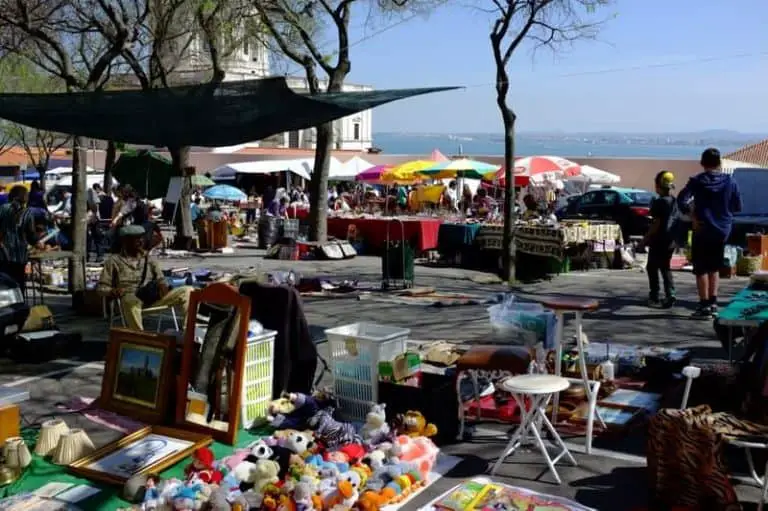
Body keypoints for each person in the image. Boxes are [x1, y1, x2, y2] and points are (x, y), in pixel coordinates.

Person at [678, 147, 742, 318]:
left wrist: (692, 216)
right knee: (714, 267)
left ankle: (704, 304)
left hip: (702, 227)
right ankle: (713, 302)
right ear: (719, 163)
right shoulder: (730, 182)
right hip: (722, 230)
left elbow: (681, 199)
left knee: (701, 268)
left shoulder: (697, 181)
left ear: (702, 163)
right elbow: (737, 206)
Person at [98, 225, 192, 331]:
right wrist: (113, 291)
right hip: (129, 301)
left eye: (141, 238)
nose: (140, 241)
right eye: (136, 238)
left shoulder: (149, 259)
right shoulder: (114, 261)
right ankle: (140, 336)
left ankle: (187, 332)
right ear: (125, 241)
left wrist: (162, 285)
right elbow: (101, 288)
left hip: (150, 299)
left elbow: (161, 279)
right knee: (129, 300)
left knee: (188, 291)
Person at [643, 171, 678, 308]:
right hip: (671, 240)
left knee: (651, 267)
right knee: (665, 267)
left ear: (658, 186)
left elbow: (655, 224)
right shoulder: (674, 201)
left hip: (658, 240)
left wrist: (644, 240)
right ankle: (670, 294)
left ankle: (654, 296)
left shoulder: (659, 203)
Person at [0, 186, 44, 289]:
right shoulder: (27, 213)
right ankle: (19, 303)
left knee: (4, 283)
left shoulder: (2, 208)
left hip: (3, 254)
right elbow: (31, 235)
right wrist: (38, 243)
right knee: (19, 283)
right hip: (19, 255)